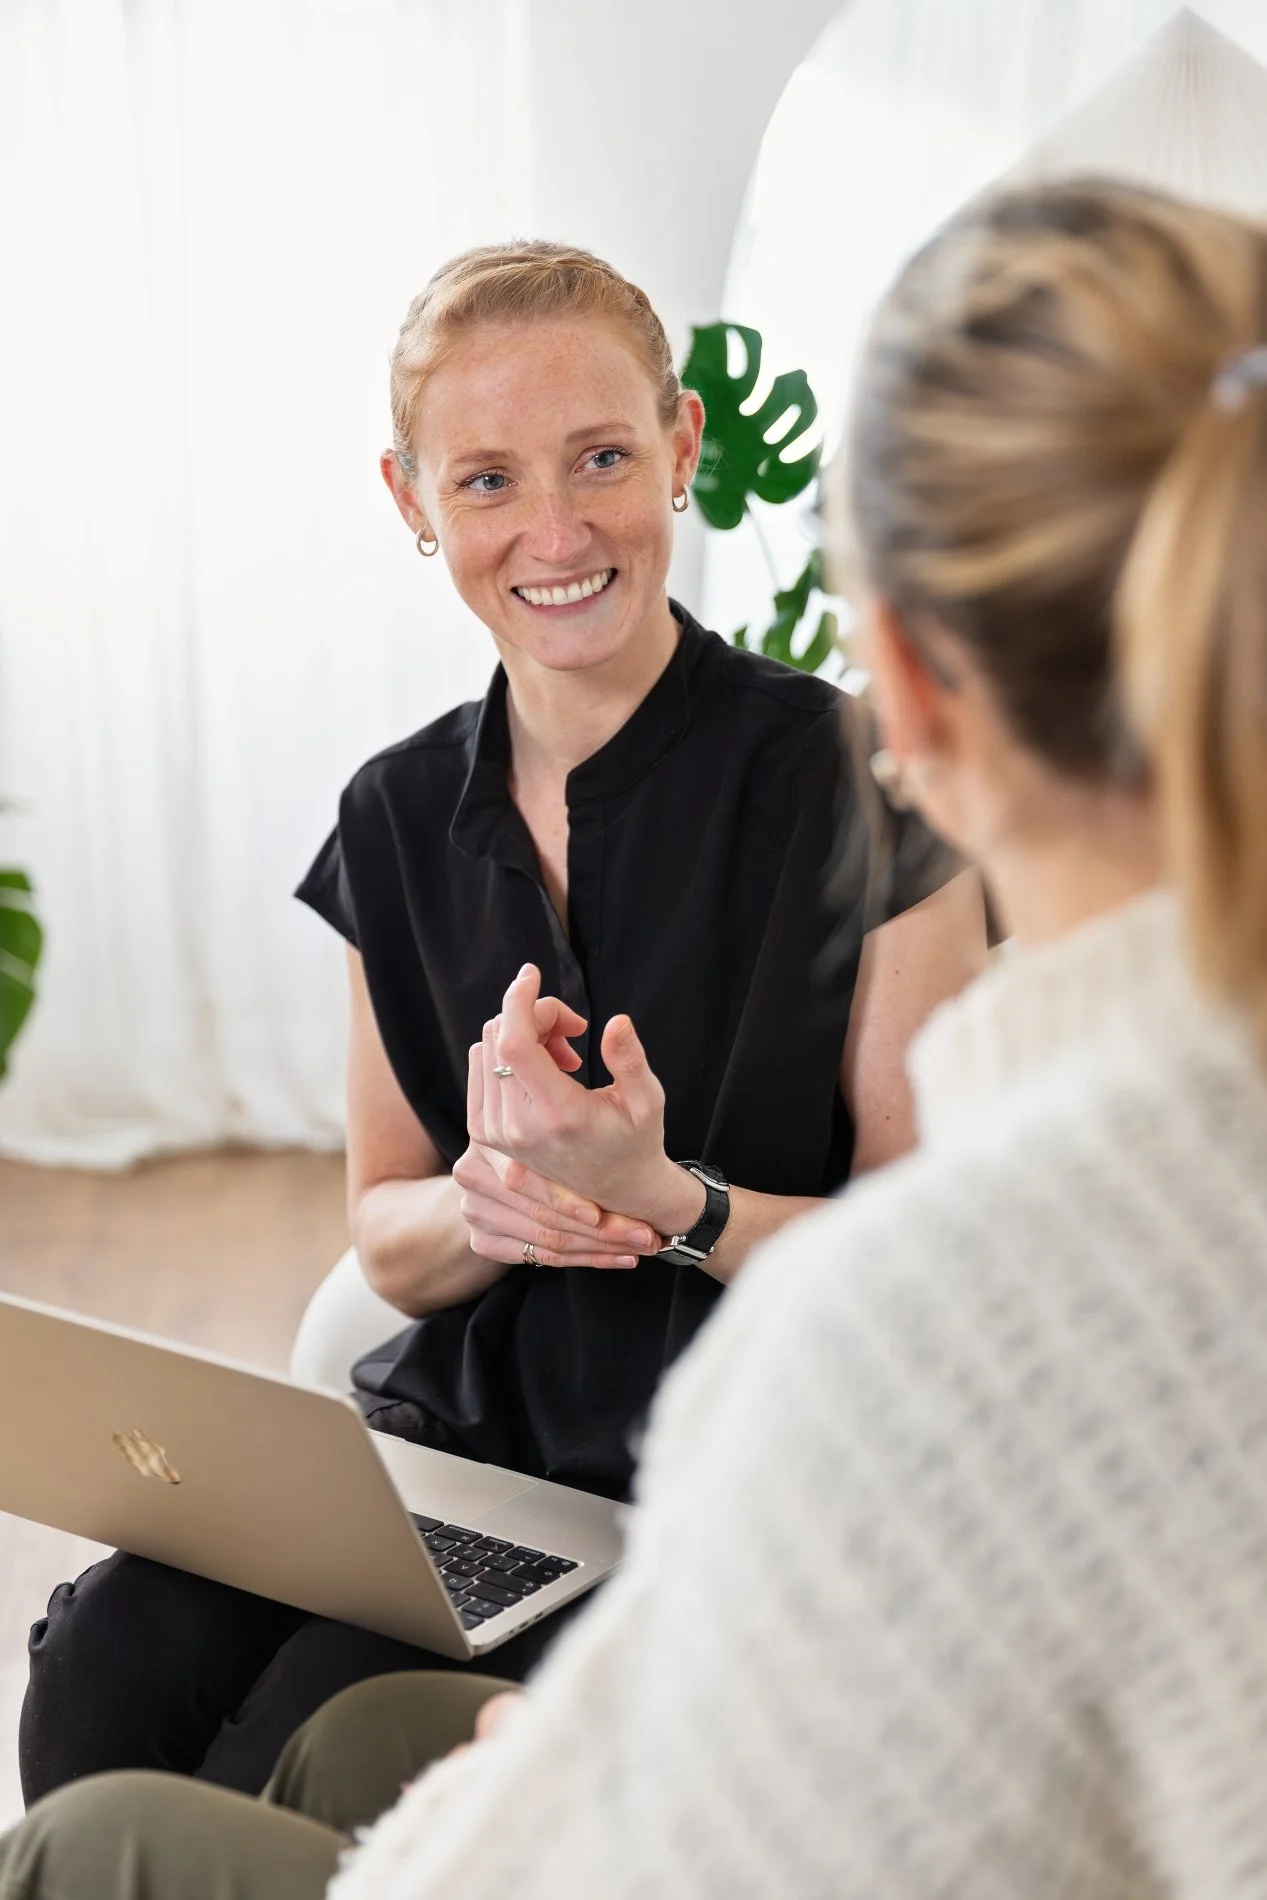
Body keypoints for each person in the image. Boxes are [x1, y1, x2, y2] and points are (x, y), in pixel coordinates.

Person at [18, 241, 982, 1806]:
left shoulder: (861, 781)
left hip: (718, 1468)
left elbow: (922, 1258)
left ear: (678, 448)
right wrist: (490, 1208)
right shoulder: (395, 814)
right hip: (448, 1454)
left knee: (301, 1755)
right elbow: (385, 1237)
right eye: (484, 481)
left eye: (600, 457)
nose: (554, 530)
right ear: (412, 504)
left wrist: (671, 1205)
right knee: (92, 1684)